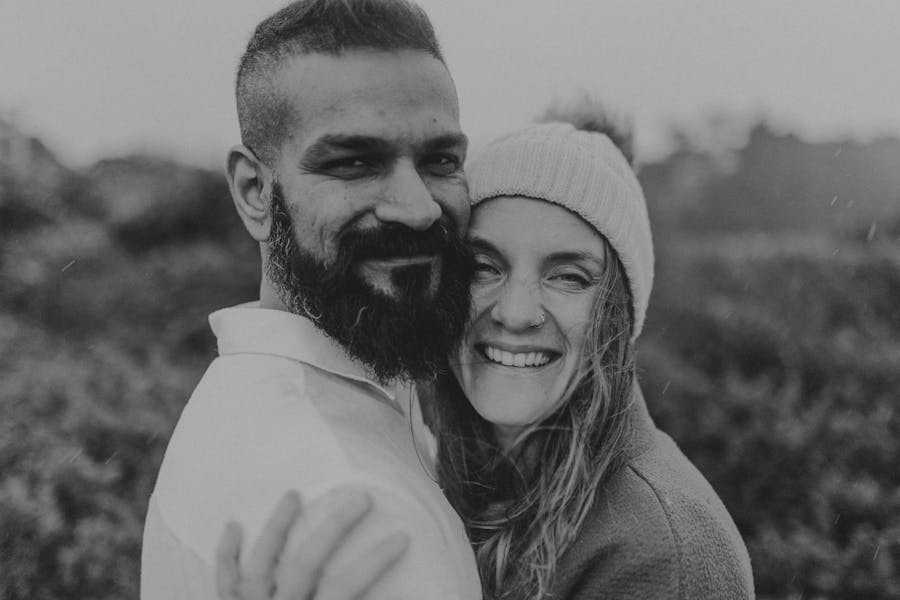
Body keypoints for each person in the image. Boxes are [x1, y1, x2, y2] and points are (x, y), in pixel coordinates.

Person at [215, 113, 756, 599]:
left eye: (568, 277)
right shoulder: (450, 471)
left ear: (616, 315)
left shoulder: (659, 555)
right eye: (484, 267)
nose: (517, 312)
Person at [140, 1, 483, 599]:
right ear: (254, 191)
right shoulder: (359, 521)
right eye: (355, 163)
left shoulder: (245, 394)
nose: (419, 206)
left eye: (441, 161)